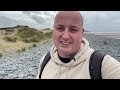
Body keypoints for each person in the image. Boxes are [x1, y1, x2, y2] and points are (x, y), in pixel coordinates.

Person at [36, 11, 120, 79]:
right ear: (53, 30)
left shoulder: (101, 64)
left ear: (82, 32)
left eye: (73, 29)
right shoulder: (45, 61)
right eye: (60, 28)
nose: (65, 36)